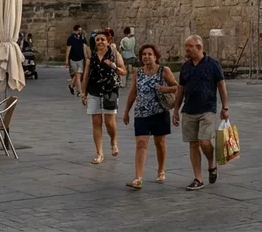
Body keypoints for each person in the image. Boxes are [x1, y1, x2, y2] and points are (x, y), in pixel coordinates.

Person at [172, 35, 229, 191]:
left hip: (207, 109)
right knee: (193, 143)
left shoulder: (213, 64)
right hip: (189, 109)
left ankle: (211, 163)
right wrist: (176, 109)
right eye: (186, 46)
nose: (186, 49)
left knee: (204, 141)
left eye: (189, 46)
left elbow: (221, 86)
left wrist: (225, 107)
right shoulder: (186, 67)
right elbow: (181, 89)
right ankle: (198, 178)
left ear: (199, 46)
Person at [123, 43, 178, 189]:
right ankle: (138, 178)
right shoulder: (138, 72)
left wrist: (164, 88)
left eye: (149, 54)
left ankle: (161, 170)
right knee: (141, 142)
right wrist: (126, 111)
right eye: (144, 54)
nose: (146, 57)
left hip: (159, 112)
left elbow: (176, 86)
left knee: (159, 142)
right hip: (141, 112)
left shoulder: (163, 70)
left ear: (155, 56)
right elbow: (133, 92)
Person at [80, 30, 126, 164]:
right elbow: (86, 76)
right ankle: (99, 153)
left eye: (102, 40)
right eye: (98, 40)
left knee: (109, 122)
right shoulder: (91, 57)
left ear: (108, 42)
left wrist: (114, 66)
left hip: (110, 91)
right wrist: (83, 93)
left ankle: (113, 140)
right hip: (94, 91)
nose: (100, 42)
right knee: (96, 122)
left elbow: (123, 72)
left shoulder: (114, 54)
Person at [66, 24, 89, 96]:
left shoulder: (82, 37)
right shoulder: (71, 38)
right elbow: (68, 49)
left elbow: (85, 47)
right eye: (78, 30)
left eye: (80, 30)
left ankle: (72, 87)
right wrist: (67, 59)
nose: (80, 32)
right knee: (77, 75)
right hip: (73, 59)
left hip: (80, 59)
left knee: (78, 75)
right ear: (75, 30)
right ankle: (79, 91)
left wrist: (87, 57)